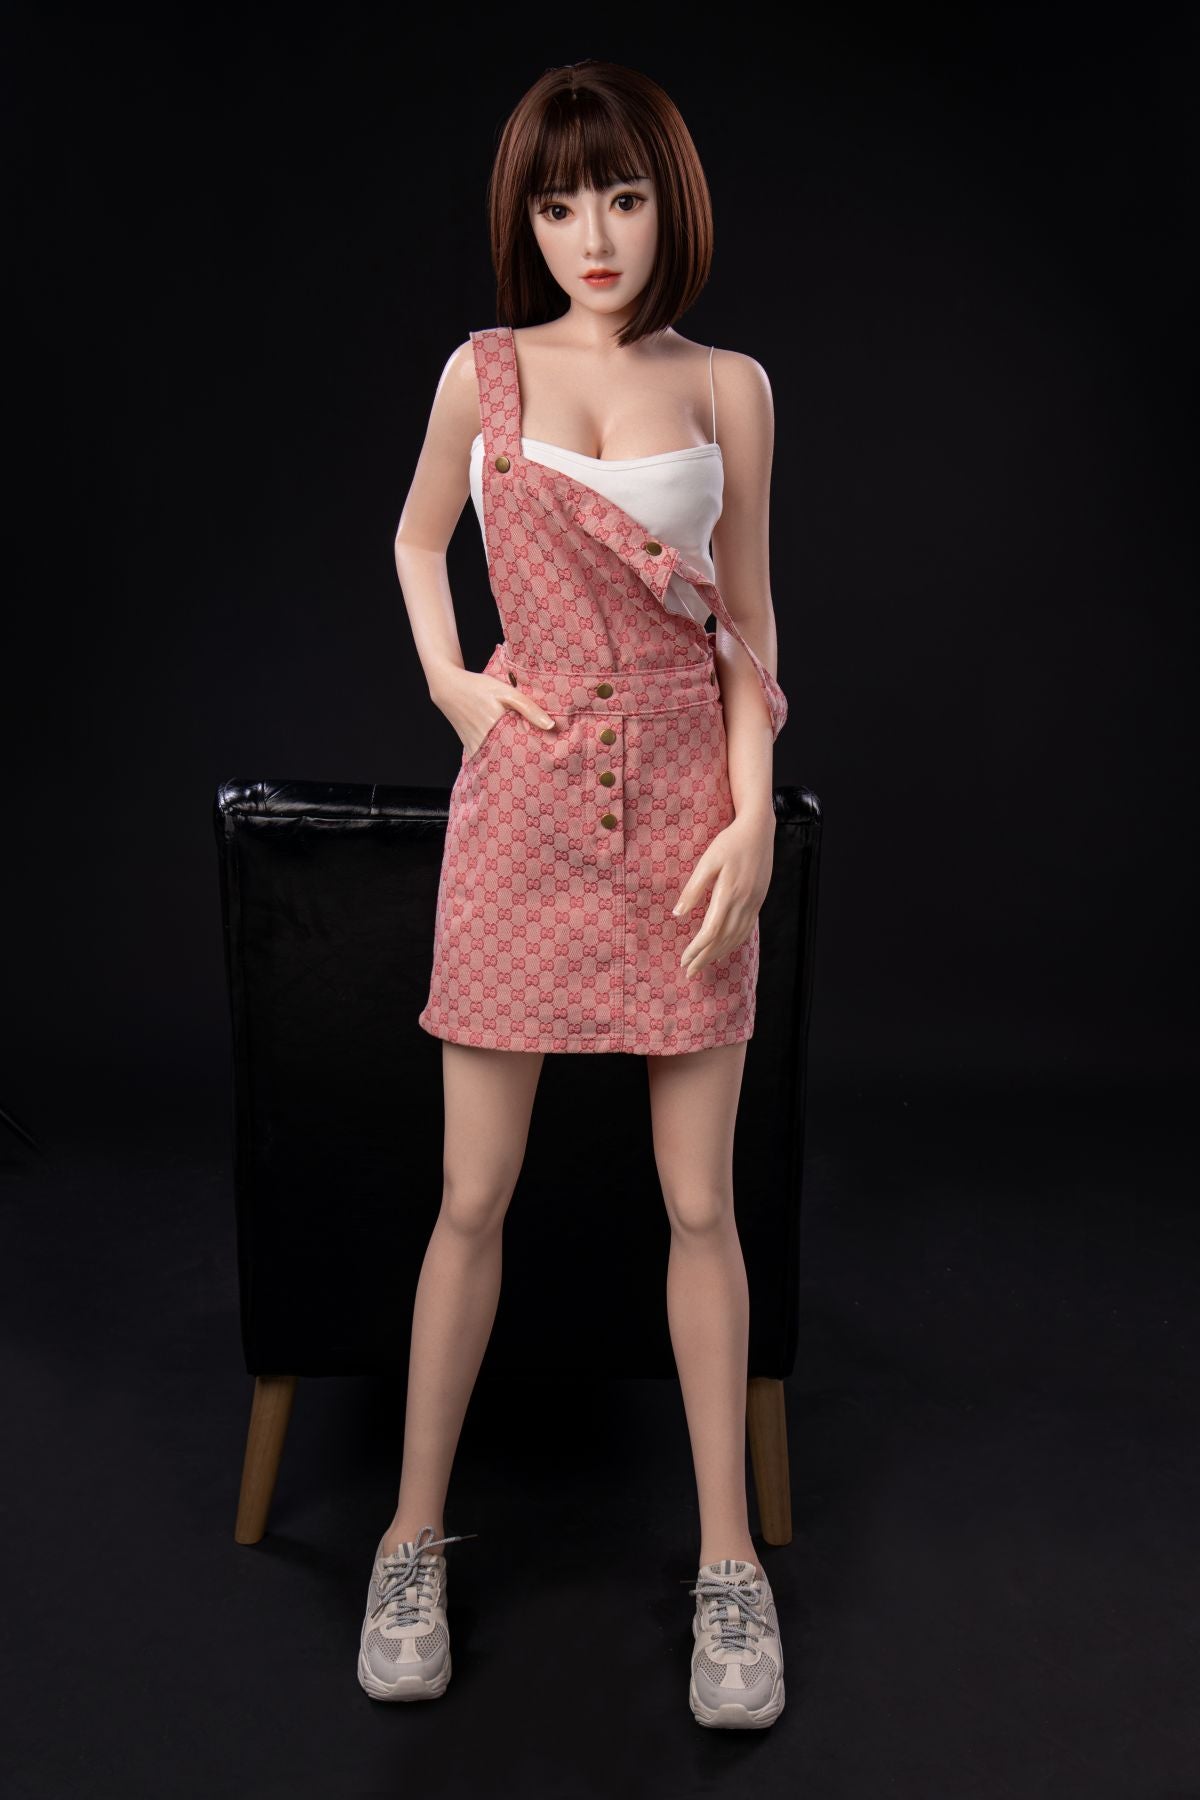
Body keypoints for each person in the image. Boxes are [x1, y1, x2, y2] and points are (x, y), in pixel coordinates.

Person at [360, 58, 788, 1729]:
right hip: (525, 815)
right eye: (556, 204)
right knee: (473, 1195)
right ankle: (410, 1538)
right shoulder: (482, 374)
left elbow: (748, 624)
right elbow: (416, 541)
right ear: (523, 219)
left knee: (700, 1202)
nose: (590, 235)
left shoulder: (731, 385)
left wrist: (753, 822)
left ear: (669, 202)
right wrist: (454, 687)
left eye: (618, 196)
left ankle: (729, 1565)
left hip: (691, 816)